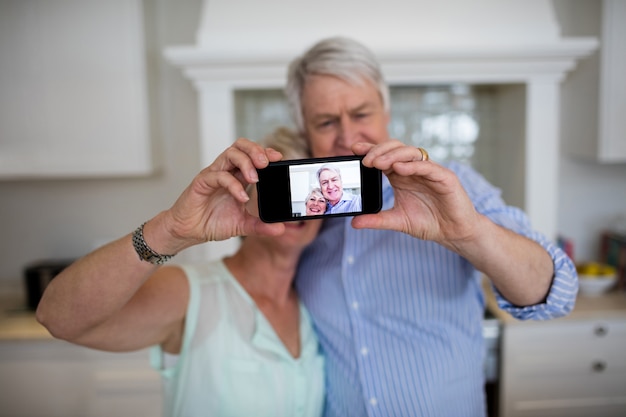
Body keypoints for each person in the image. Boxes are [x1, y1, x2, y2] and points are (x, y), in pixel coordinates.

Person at [284, 36, 578, 417]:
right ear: (305, 130)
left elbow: (555, 295)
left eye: (361, 114)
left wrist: (468, 232)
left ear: (386, 113)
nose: (347, 135)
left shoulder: (451, 186)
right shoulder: (303, 220)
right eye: (325, 121)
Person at [36, 127, 325, 417]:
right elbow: (56, 317)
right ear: (244, 195)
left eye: (308, 187)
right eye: (282, 186)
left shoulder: (316, 305)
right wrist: (170, 230)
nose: (296, 204)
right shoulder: (190, 292)